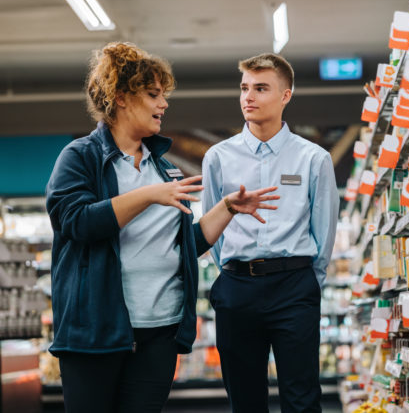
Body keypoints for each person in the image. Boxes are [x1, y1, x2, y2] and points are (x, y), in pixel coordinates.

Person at [45, 42, 279, 413]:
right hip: (97, 332)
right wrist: (148, 195)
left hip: (160, 331)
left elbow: (182, 245)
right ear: (120, 98)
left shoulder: (161, 167)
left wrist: (228, 208)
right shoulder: (80, 157)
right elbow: (75, 222)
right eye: (154, 95)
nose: (164, 104)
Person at [202, 53, 339, 413]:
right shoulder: (218, 157)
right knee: (245, 401)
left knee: (302, 398)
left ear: (285, 96)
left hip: (294, 287)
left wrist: (308, 283)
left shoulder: (313, 159)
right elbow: (210, 229)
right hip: (236, 288)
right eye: (245, 88)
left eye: (261, 88)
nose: (249, 97)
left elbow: (324, 232)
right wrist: (232, 273)